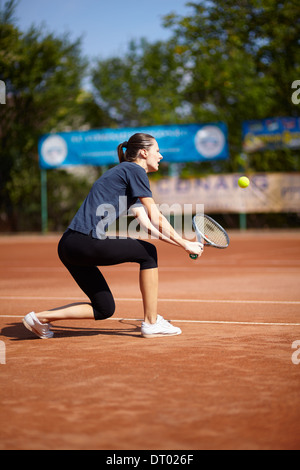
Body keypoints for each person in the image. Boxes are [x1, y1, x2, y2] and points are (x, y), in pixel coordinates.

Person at [23, 133, 203, 339]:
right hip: (85, 240)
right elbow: (156, 216)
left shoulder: (123, 174)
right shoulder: (135, 170)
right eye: (157, 151)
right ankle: (151, 322)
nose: (160, 156)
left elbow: (149, 227)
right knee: (148, 253)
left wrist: (184, 244)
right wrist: (184, 243)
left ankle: (39, 318)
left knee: (104, 309)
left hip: (69, 246)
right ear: (144, 153)